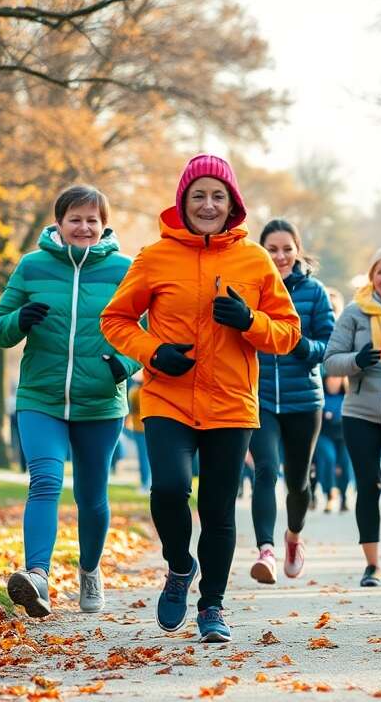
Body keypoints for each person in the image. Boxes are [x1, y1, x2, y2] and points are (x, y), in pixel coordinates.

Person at [101, 154, 300, 643]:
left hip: (232, 403)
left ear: (232, 203)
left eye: (218, 196)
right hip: (169, 397)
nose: (208, 205)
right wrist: (152, 352)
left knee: (217, 509)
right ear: (183, 202)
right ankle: (179, 565)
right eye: (198, 196)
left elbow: (288, 333)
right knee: (168, 488)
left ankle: (212, 606)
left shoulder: (254, 260)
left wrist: (249, 320)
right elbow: (115, 320)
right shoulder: (154, 257)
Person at [0, 185, 141, 619]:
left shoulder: (123, 270)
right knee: (46, 481)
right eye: (75, 218)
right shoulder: (32, 266)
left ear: (104, 225)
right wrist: (19, 319)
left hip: (100, 401)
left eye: (93, 219)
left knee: (92, 496)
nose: (84, 226)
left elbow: (147, 329)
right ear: (59, 223)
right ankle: (37, 577)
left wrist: (124, 365)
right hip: (41, 397)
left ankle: (90, 570)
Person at [245, 219, 334, 583]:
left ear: (298, 251)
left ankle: (293, 538)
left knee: (298, 481)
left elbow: (329, 346)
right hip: (260, 396)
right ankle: (266, 551)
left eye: (286, 249)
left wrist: (301, 346)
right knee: (265, 470)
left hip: (304, 400)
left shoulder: (314, 292)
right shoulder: (250, 289)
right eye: (272, 249)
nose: (280, 256)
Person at [323, 246, 381, 586]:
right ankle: (372, 566)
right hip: (359, 413)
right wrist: (356, 361)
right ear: (371, 276)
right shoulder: (353, 313)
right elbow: (331, 361)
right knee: (366, 487)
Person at [315, 287, 352, 514]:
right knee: (326, 458)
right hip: (321, 420)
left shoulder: (348, 339)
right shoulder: (320, 342)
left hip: (345, 419)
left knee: (346, 463)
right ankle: (329, 493)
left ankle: (344, 495)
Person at [125, 375, 151, 493]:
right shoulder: (146, 391)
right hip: (146, 427)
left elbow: (132, 409)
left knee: (143, 457)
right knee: (149, 457)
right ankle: (147, 483)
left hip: (139, 428)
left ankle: (146, 483)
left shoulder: (135, 391)